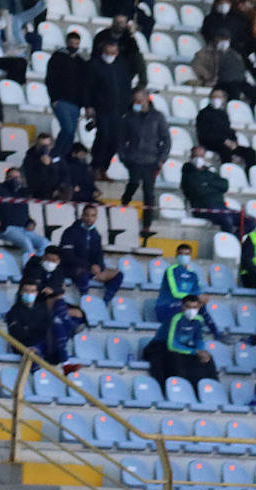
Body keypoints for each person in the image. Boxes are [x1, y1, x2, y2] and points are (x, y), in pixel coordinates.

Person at [118, 88, 168, 236]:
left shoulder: (157, 117)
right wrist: (123, 157)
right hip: (133, 158)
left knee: (149, 192)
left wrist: (161, 159)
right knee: (133, 183)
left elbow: (166, 139)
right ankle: (123, 206)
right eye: (135, 100)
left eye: (140, 100)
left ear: (147, 99)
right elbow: (121, 140)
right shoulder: (128, 117)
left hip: (151, 160)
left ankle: (146, 225)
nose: (137, 103)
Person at [86, 40, 133, 176]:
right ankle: (95, 166)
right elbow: (87, 88)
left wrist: (127, 106)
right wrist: (88, 106)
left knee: (115, 141)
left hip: (118, 111)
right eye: (107, 52)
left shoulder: (121, 67)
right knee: (103, 136)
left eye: (113, 52)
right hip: (101, 109)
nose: (110, 55)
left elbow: (126, 87)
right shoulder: (94, 65)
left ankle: (103, 168)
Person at [7, 284, 83, 365]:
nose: (29, 294)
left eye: (32, 291)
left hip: (42, 344)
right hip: (25, 345)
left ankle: (64, 360)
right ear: (21, 293)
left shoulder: (41, 309)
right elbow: (17, 333)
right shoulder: (14, 312)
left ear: (36, 293)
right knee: (34, 352)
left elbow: (48, 325)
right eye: (26, 291)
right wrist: (35, 329)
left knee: (56, 323)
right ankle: (65, 362)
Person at [0, 167, 48, 257]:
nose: (14, 180)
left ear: (21, 179)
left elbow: (24, 214)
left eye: (17, 177)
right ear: (6, 178)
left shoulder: (22, 193)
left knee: (44, 242)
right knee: (26, 242)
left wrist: (30, 222)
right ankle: (30, 267)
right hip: (6, 228)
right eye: (11, 177)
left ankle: (38, 266)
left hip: (23, 229)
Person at [58, 204, 122, 299]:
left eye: (93, 216)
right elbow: (68, 256)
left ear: (96, 218)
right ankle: (85, 302)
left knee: (118, 275)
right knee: (82, 274)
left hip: (90, 270)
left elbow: (99, 254)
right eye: (87, 215)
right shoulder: (71, 232)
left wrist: (99, 267)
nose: (89, 218)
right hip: (72, 268)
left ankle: (105, 302)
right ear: (82, 216)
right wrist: (89, 266)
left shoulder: (96, 235)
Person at [181, 147, 243, 234]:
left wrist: (207, 183)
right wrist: (214, 187)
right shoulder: (188, 173)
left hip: (220, 207)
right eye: (196, 156)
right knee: (227, 219)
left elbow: (224, 185)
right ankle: (228, 243)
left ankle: (234, 241)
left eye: (202, 156)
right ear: (191, 157)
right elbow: (198, 191)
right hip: (203, 207)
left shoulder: (209, 170)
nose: (199, 159)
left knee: (249, 221)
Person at [159, 300, 218, 392]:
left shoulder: (199, 320)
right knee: (176, 359)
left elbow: (199, 340)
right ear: (182, 307)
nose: (191, 310)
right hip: (172, 351)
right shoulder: (176, 319)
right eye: (188, 307)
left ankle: (213, 390)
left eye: (194, 307)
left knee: (207, 358)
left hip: (189, 351)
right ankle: (183, 390)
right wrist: (194, 351)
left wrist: (201, 351)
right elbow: (172, 345)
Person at [47, 31, 89, 157]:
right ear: (67, 43)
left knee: (71, 133)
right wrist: (54, 98)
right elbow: (50, 79)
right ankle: (55, 155)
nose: (74, 46)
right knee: (68, 128)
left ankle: (64, 158)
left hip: (75, 103)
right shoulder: (57, 58)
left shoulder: (81, 62)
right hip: (61, 100)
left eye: (77, 44)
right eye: (72, 43)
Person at [191, 36, 256, 106]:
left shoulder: (233, 53)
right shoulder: (207, 52)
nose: (224, 42)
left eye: (226, 39)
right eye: (222, 39)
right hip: (219, 81)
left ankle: (252, 111)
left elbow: (240, 67)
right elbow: (197, 65)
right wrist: (208, 76)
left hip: (239, 81)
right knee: (234, 93)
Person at [196, 90, 256, 169]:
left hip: (226, 142)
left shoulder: (223, 114)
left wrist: (234, 141)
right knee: (225, 150)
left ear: (224, 99)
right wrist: (224, 140)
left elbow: (228, 130)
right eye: (214, 97)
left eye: (219, 97)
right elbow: (205, 132)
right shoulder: (203, 113)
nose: (216, 99)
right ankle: (228, 172)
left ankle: (249, 174)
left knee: (250, 152)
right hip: (211, 143)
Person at [92, 14, 145, 89]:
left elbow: (136, 56)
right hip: (102, 70)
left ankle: (142, 85)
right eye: (117, 22)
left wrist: (132, 34)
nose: (119, 25)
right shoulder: (101, 36)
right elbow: (94, 56)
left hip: (122, 73)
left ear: (126, 24)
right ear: (113, 22)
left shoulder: (129, 38)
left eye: (122, 22)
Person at [22, 133, 65, 200]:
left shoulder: (56, 155)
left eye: (47, 146)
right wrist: (41, 164)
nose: (45, 148)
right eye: (42, 146)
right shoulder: (30, 158)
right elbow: (31, 178)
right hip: (38, 193)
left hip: (55, 192)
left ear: (51, 145)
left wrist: (57, 188)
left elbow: (63, 173)